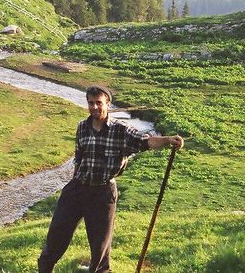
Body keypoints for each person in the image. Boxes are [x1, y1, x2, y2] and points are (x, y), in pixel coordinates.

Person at [37, 85, 183, 273]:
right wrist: (76, 179)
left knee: (100, 247)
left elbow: (146, 141)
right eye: (91, 103)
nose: (95, 107)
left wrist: (168, 140)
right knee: (56, 236)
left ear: (108, 104)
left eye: (99, 103)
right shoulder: (82, 127)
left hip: (103, 193)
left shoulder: (121, 130)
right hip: (77, 188)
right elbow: (79, 157)